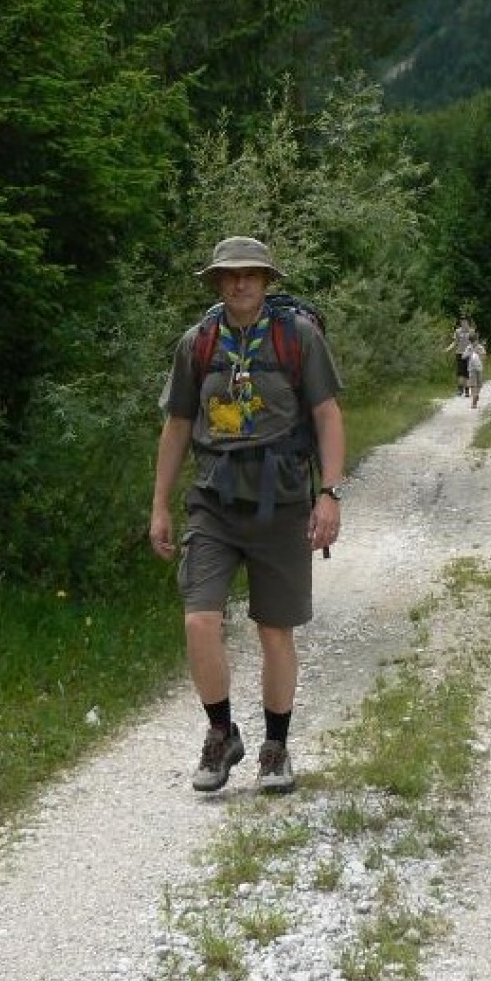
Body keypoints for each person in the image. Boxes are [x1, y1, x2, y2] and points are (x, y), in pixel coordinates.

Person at [149, 236, 347, 795]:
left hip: (281, 502)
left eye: (251, 275)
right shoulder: (198, 344)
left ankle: (276, 747)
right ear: (217, 282)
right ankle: (221, 734)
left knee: (274, 631)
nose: (240, 284)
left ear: (266, 281)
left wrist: (329, 492)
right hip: (212, 501)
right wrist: (160, 504)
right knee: (198, 621)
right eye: (230, 276)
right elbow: (179, 425)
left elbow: (328, 415)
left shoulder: (297, 338)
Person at [444, 317, 475, 396]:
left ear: (468, 323)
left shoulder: (471, 331)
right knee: (460, 373)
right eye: (462, 322)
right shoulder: (458, 331)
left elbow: (474, 343)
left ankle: (467, 391)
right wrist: (448, 349)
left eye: (464, 322)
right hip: (460, 354)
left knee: (468, 372)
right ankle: (460, 390)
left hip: (469, 354)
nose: (463, 323)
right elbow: (455, 342)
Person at [466, 337, 485, 408]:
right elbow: (463, 356)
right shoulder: (468, 348)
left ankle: (476, 394)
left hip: (479, 368)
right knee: (473, 384)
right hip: (471, 368)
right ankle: (474, 400)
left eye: (475, 341)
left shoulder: (480, 348)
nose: (474, 343)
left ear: (477, 341)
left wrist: (478, 354)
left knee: (479, 384)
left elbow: (483, 357)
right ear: (471, 342)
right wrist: (469, 354)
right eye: (472, 342)